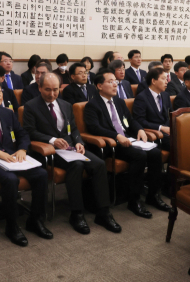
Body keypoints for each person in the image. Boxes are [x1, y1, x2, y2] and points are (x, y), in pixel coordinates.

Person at [23, 73, 121, 234]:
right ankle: (77, 214)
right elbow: (30, 131)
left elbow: (73, 129)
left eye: (55, 90)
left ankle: (103, 212)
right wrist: (52, 140)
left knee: (99, 164)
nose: (52, 94)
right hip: (50, 152)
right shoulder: (31, 106)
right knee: (76, 165)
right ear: (39, 88)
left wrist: (78, 142)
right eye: (47, 89)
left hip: (70, 148)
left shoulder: (65, 105)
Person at [0, 77, 51, 247]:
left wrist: (22, 149)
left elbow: (22, 134)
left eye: (0, 90)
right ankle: (12, 226)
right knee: (10, 180)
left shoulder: (7, 112)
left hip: (13, 157)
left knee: (41, 174)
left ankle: (35, 220)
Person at [84, 72, 172, 217]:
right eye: (110, 81)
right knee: (139, 156)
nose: (115, 84)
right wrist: (116, 136)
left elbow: (130, 121)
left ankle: (153, 195)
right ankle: (134, 200)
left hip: (128, 139)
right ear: (99, 86)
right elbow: (94, 128)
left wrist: (140, 130)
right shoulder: (92, 105)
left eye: (115, 82)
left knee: (155, 153)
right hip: (112, 144)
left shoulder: (118, 101)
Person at [132, 68, 172, 150]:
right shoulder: (142, 97)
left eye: (166, 78)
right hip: (154, 134)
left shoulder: (165, 95)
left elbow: (170, 114)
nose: (166, 81)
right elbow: (140, 120)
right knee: (178, 145)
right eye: (163, 78)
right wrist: (161, 127)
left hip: (168, 131)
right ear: (153, 81)